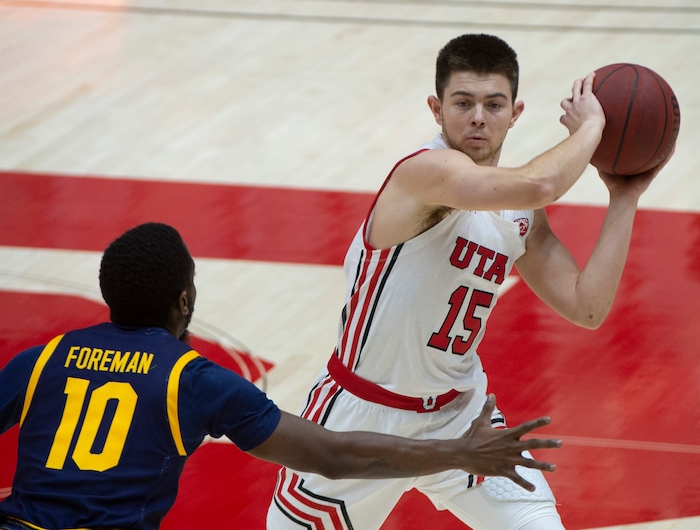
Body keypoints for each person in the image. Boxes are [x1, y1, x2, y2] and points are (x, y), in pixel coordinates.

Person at [267, 34, 672, 529]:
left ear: (515, 113)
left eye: (493, 104)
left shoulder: (522, 212)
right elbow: (540, 182)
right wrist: (593, 128)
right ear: (437, 110)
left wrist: (623, 196)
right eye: (464, 103)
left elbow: (586, 306)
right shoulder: (424, 173)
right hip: (363, 416)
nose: (478, 116)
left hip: (462, 419)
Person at [0, 222, 564, 530]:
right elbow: (335, 457)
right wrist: (459, 454)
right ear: (185, 298)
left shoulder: (39, 361)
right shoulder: (194, 381)